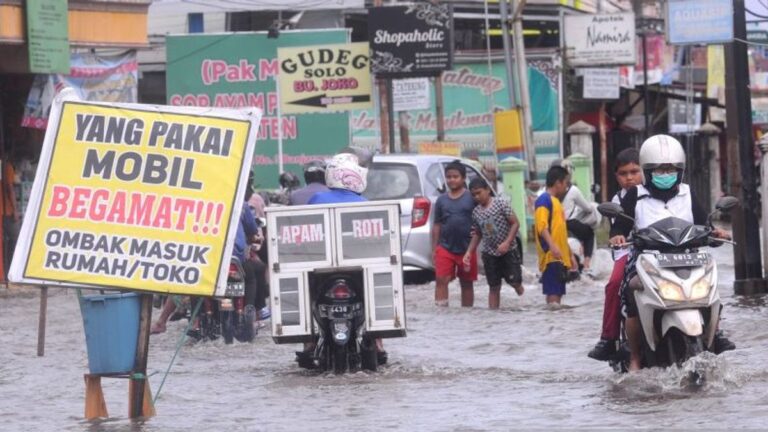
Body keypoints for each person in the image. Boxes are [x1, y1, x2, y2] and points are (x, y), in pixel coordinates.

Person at [617, 135, 734, 371]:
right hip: (648, 259)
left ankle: (716, 334)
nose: (665, 173)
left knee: (712, 289)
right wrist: (617, 235)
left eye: (670, 169)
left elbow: (704, 224)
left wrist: (716, 233)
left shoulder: (688, 193)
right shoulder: (635, 195)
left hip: (689, 259)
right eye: (659, 170)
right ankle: (635, 356)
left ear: (680, 170)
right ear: (648, 171)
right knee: (630, 291)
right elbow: (619, 226)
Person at [300, 151, 387, 366]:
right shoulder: (365, 203)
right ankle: (378, 343)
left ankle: (308, 342)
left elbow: (305, 233)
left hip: (321, 268)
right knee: (373, 297)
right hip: (358, 268)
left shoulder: (317, 199)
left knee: (305, 294)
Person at [151, 176, 264, 336]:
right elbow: (253, 233)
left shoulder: (201, 204)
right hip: (231, 260)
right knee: (253, 275)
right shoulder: (240, 204)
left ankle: (190, 321)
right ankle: (252, 317)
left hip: (206, 259)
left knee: (192, 280)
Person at [587, 148, 642, 361]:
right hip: (628, 252)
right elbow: (618, 231)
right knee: (614, 284)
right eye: (624, 173)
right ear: (616, 176)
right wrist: (617, 237)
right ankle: (608, 338)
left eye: (634, 171)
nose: (629, 178)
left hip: (658, 251)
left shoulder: (655, 194)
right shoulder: (617, 201)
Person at [464, 177, 524, 309]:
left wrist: (507, 243)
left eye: (479, 193)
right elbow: (478, 234)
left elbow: (515, 223)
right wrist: (469, 252)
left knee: (514, 281)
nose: (477, 197)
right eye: (473, 195)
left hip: (509, 250)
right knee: (493, 286)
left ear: (487, 190)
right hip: (490, 253)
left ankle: (521, 292)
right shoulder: (476, 213)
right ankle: (493, 315)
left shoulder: (501, 204)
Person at [432, 160, 477, 307]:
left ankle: (467, 313)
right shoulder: (441, 200)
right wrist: (434, 249)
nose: (452, 180)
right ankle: (441, 310)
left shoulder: (472, 198)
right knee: (441, 279)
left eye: (455, 176)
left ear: (463, 179)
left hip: (467, 249)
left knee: (466, 283)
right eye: (449, 177)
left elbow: (481, 218)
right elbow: (437, 225)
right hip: (445, 247)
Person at [552, 158, 598, 275]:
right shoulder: (573, 190)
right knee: (589, 234)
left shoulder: (546, 191)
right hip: (570, 223)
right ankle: (587, 264)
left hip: (552, 227)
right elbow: (587, 208)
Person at [534, 166, 572, 305]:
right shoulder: (544, 200)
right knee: (554, 297)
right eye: (566, 183)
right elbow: (541, 226)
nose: (567, 187)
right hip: (551, 257)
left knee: (557, 297)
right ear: (558, 183)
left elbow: (559, 232)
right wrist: (552, 246)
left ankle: (555, 326)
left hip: (559, 258)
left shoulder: (556, 202)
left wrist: (570, 254)